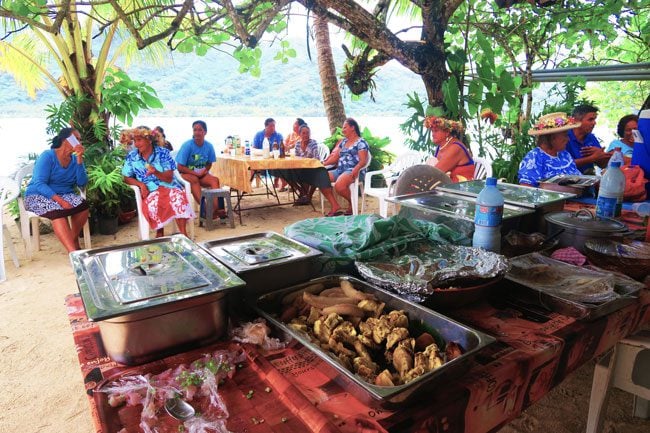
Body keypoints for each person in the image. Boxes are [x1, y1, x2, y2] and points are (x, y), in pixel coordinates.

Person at [23, 127, 89, 253]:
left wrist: (80, 160)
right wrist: (61, 201)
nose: (79, 143)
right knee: (57, 212)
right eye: (76, 139)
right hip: (38, 195)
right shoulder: (47, 156)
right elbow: (39, 183)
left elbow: (81, 182)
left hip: (64, 194)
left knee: (83, 206)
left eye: (80, 140)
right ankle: (73, 253)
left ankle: (73, 239)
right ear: (65, 140)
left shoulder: (75, 160)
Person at [122, 126, 195, 238]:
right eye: (135, 141)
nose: (136, 144)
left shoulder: (163, 153)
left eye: (139, 140)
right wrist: (141, 185)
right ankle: (159, 232)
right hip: (149, 190)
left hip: (169, 186)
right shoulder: (132, 156)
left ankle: (183, 234)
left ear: (149, 140)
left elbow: (169, 178)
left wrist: (155, 171)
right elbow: (126, 177)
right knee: (154, 202)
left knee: (177, 198)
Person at [518, 112, 582, 187]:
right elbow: (526, 187)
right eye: (565, 135)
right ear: (552, 138)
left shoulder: (565, 155)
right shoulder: (534, 157)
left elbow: (578, 177)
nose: (568, 139)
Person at [322, 118, 370, 215]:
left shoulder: (361, 142)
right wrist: (322, 163)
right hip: (340, 170)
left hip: (354, 170)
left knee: (339, 186)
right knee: (321, 178)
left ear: (352, 128)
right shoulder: (344, 142)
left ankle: (352, 204)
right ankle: (335, 205)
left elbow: (363, 160)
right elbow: (335, 158)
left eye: (345, 127)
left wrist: (356, 168)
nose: (343, 130)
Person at [175, 120, 223, 217]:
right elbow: (180, 167)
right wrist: (196, 174)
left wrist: (204, 171)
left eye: (200, 130)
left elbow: (209, 163)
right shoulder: (187, 145)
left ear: (205, 132)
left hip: (201, 174)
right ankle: (205, 210)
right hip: (185, 174)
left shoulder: (209, 146)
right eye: (195, 130)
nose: (197, 132)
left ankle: (216, 210)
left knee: (214, 180)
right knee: (194, 179)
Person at [423, 115, 475, 182]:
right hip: (447, 187)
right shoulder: (440, 146)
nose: (433, 134)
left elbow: (435, 173)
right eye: (432, 131)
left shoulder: (455, 148)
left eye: (436, 131)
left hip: (461, 188)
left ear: (447, 132)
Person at [566, 104, 610, 174]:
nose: (594, 123)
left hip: (589, 181)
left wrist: (603, 155)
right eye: (590, 119)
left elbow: (602, 165)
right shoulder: (565, 137)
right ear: (576, 121)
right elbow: (563, 165)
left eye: (595, 119)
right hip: (567, 181)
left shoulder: (591, 137)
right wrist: (591, 159)